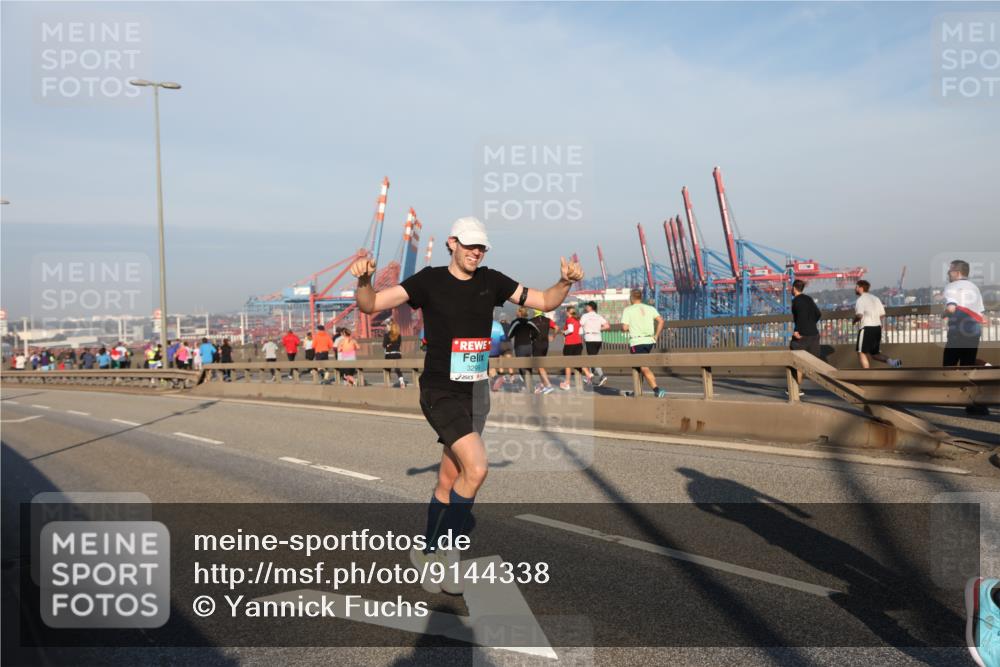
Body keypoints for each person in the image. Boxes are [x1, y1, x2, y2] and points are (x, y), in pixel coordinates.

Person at [351, 215, 582, 595]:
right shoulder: (428, 280)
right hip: (440, 390)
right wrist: (363, 280)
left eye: (482, 247)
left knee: (449, 479)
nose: (476, 252)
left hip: (476, 391)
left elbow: (544, 301)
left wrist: (566, 283)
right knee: (477, 468)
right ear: (452, 243)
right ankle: (449, 557)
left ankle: (425, 552)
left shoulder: (492, 281)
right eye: (470, 245)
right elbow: (370, 303)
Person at [942, 259, 988, 415]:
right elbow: (982, 316)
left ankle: (948, 397)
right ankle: (972, 402)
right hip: (973, 331)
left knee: (948, 365)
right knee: (968, 366)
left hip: (958, 331)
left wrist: (945, 313)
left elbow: (951, 308)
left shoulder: (952, 286)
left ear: (957, 273)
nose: (948, 274)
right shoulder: (974, 288)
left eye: (950, 271)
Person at [621, 289, 667, 397]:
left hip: (637, 342)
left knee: (643, 366)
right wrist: (656, 335)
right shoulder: (650, 308)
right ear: (640, 297)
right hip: (649, 341)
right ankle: (637, 391)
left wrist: (629, 326)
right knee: (638, 367)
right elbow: (661, 321)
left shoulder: (628, 310)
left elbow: (624, 327)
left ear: (631, 298)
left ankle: (657, 390)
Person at [853, 280, 901, 369]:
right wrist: (875, 320)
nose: (854, 289)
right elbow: (882, 314)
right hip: (877, 328)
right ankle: (893, 362)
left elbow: (859, 315)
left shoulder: (860, 300)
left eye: (856, 287)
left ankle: (867, 375)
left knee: (861, 352)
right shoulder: (876, 298)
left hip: (866, 328)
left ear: (861, 288)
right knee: (874, 354)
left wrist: (854, 321)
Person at [789, 279, 822, 392]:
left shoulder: (796, 301)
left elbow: (801, 316)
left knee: (795, 358)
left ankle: (796, 388)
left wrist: (797, 330)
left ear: (794, 288)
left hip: (802, 335)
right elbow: (818, 314)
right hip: (814, 333)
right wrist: (811, 324)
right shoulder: (809, 299)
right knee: (813, 361)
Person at [507, 307, 543, 393]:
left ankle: (531, 387)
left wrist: (515, 334)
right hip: (529, 347)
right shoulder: (529, 322)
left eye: (517, 311)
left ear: (519, 312)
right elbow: (538, 333)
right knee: (528, 366)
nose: (516, 312)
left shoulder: (516, 322)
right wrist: (532, 338)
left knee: (521, 367)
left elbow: (509, 335)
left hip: (520, 347)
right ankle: (529, 386)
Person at [559, 306, 594, 389]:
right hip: (578, 343)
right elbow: (580, 331)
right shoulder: (578, 320)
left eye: (566, 312)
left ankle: (567, 383)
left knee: (567, 364)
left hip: (570, 344)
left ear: (568, 312)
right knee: (577, 361)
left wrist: (564, 332)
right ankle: (588, 373)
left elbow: (570, 330)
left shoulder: (569, 320)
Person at [579, 300, 610, 386]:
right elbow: (607, 326)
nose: (586, 307)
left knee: (592, 359)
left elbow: (580, 324)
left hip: (590, 338)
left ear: (590, 307)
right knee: (592, 357)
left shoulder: (585, 316)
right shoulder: (598, 316)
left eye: (587, 306)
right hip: (598, 338)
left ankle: (602, 376)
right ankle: (589, 378)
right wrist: (599, 329)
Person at [529, 310, 558, 394]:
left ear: (534, 312)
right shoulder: (548, 320)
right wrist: (553, 336)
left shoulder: (531, 321)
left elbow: (528, 333)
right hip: (545, 344)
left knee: (539, 366)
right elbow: (557, 328)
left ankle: (548, 385)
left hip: (536, 344)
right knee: (541, 365)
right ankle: (543, 384)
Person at [383, 322, 405, 388]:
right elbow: (398, 345)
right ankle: (402, 382)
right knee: (397, 369)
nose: (386, 327)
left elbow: (384, 345)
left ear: (391, 327)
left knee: (386, 369)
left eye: (387, 326)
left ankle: (387, 383)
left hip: (389, 354)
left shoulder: (387, 335)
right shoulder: (399, 335)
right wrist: (391, 345)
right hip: (397, 354)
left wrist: (388, 345)